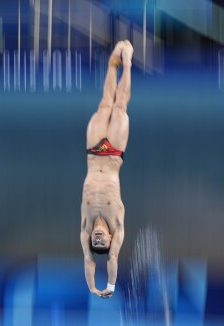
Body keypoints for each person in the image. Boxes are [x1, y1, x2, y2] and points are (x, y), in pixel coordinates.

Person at [80, 40, 133, 299]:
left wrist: (92, 287)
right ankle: (128, 62)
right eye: (104, 242)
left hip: (93, 153)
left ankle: (114, 60)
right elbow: (110, 261)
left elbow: (89, 262)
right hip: (112, 156)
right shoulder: (117, 225)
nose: (98, 240)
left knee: (104, 103)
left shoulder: (85, 226)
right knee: (120, 105)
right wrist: (109, 287)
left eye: (95, 242)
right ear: (111, 239)